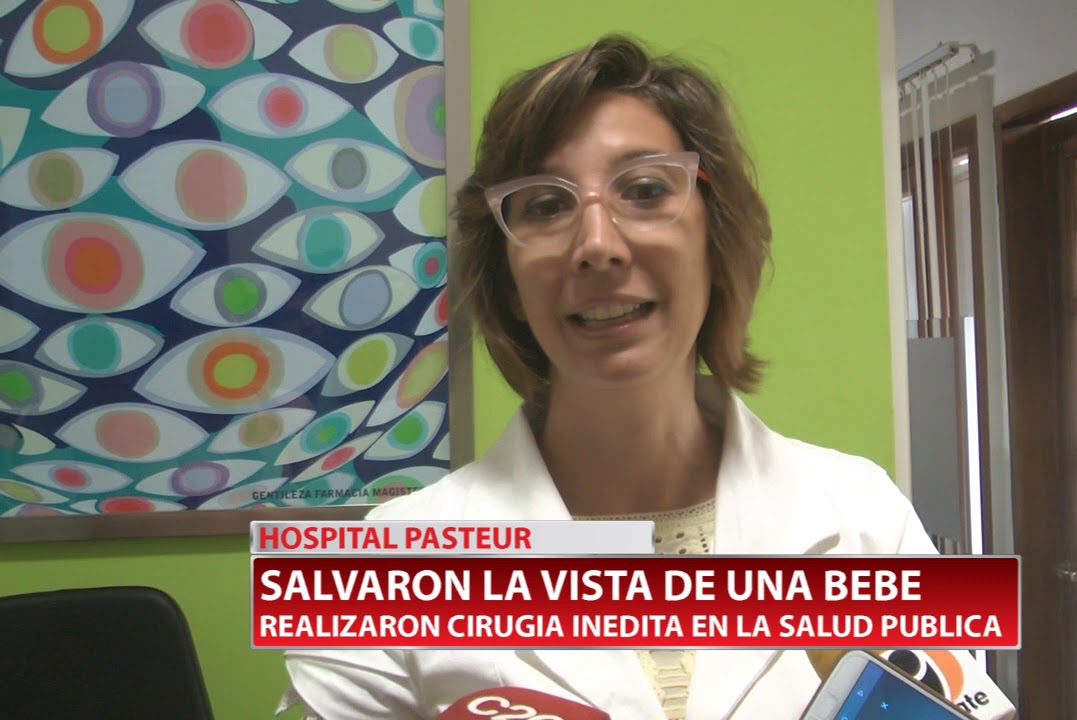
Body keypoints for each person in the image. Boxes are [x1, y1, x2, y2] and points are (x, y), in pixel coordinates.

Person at [280, 34, 938, 720]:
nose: (597, 244)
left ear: (715, 241)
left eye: (646, 190)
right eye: (545, 205)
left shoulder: (864, 519)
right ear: (508, 279)